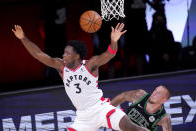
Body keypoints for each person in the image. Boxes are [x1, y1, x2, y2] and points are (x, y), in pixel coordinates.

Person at [12, 23, 146, 131]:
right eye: (64, 53)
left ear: (77, 56)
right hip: (83, 117)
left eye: (67, 53)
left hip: (101, 108)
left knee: (132, 128)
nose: (63, 55)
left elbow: (109, 54)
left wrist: (114, 41)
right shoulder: (61, 67)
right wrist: (23, 38)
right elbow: (38, 54)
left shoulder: (90, 65)